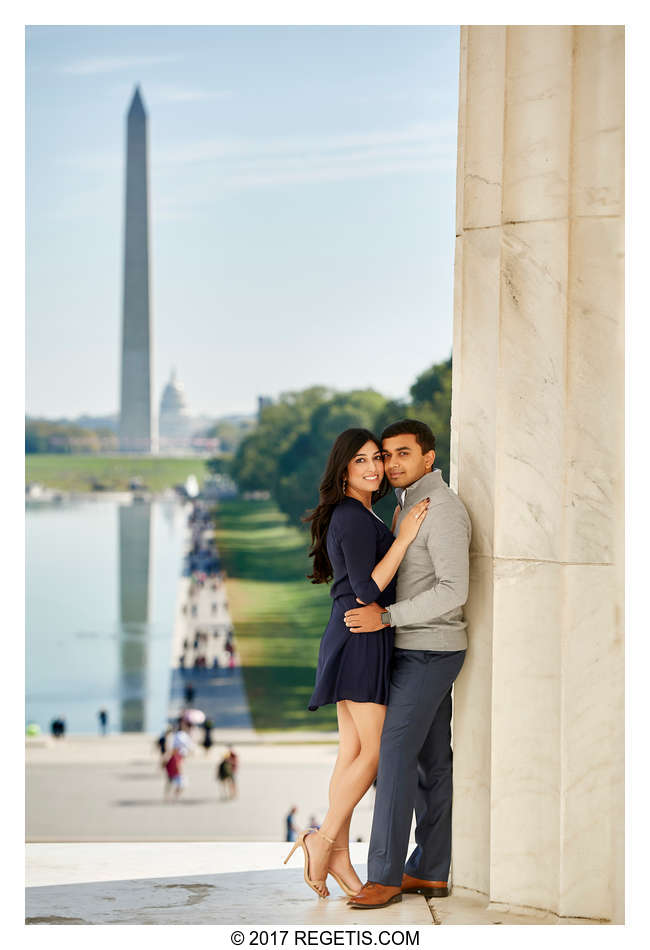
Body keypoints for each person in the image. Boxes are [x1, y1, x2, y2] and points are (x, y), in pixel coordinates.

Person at [283, 428, 429, 900]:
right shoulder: (349, 516)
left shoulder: (360, 513)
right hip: (360, 636)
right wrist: (404, 539)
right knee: (376, 750)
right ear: (343, 469)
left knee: (351, 751)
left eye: (377, 459)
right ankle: (321, 840)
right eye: (361, 460)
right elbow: (367, 590)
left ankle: (339, 851)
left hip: (355, 635)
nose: (372, 467)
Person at [342, 420, 471, 909]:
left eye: (403, 454)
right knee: (430, 762)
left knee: (393, 758)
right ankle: (429, 870)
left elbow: (454, 591)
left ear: (429, 458)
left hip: (431, 650)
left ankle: (385, 876)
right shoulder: (404, 507)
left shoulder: (442, 511)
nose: (391, 463)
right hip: (413, 647)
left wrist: (388, 617)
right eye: (385, 455)